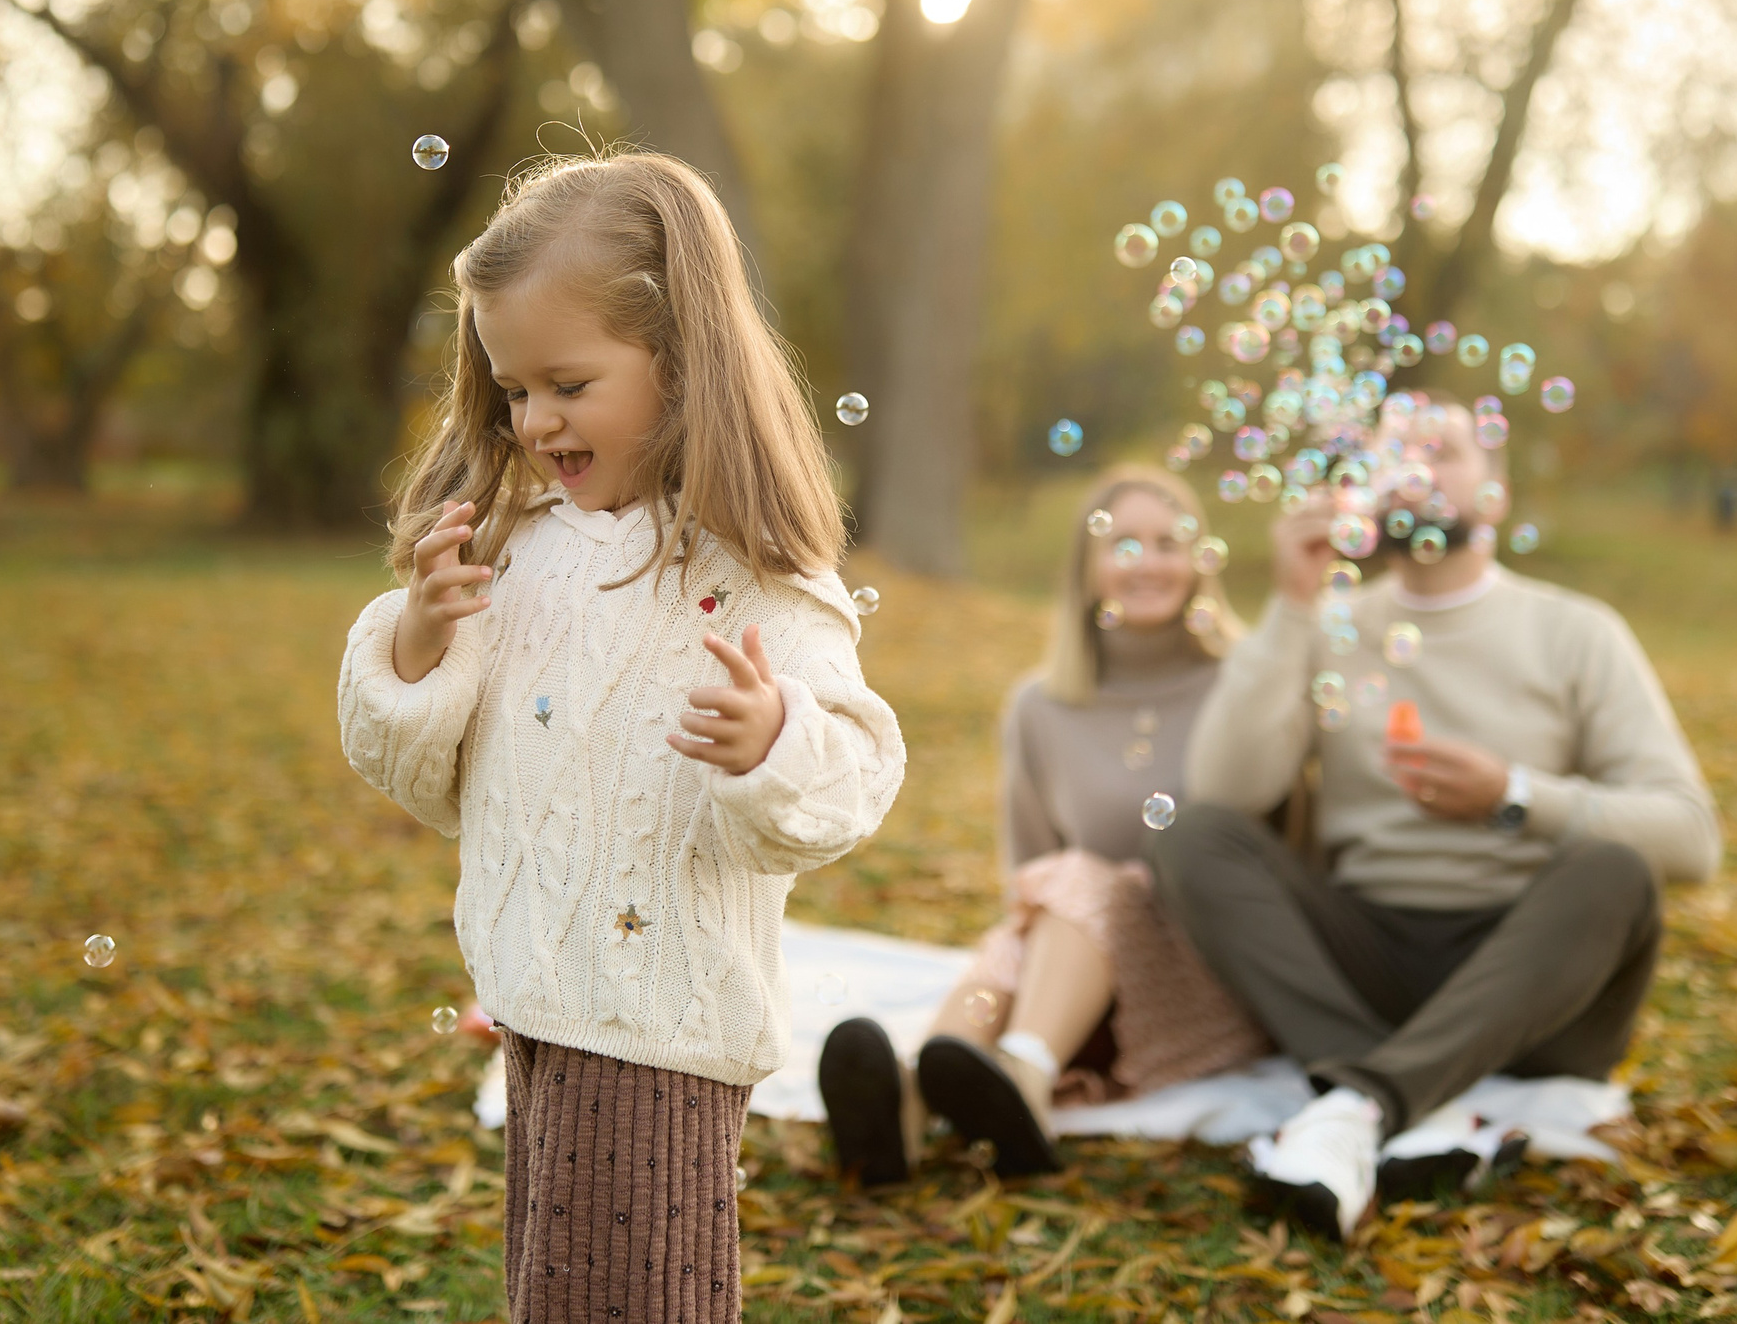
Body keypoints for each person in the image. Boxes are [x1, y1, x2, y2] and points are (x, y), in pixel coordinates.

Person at [337, 152, 906, 1323]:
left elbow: (851, 774)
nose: (536, 421)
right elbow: (434, 777)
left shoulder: (760, 581)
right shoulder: (524, 554)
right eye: (512, 391)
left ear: (679, 364)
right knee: (556, 1286)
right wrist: (419, 640)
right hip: (537, 992)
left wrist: (770, 742)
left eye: (568, 383)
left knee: (640, 1294)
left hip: (661, 1017)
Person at [1152, 397, 1721, 1240]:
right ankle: (1402, 1095)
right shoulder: (1332, 624)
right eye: (1398, 452)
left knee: (1617, 870)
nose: (1419, 466)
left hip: (1531, 983)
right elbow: (1224, 787)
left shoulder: (1577, 632)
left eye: (1445, 451)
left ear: (1495, 491)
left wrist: (1515, 797)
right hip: (1372, 957)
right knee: (1190, 833)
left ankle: (1361, 1099)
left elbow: (1692, 836)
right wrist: (1291, 602)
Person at [816, 465, 1267, 1183]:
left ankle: (1019, 1082)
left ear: (1199, 561)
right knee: (1036, 919)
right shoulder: (1041, 705)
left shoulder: (1245, 683)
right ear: (1087, 567)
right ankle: (906, 1108)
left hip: (1206, 973)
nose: (1147, 562)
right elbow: (1028, 877)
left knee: (1082, 881)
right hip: (1079, 986)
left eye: (1168, 542)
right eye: (1123, 543)